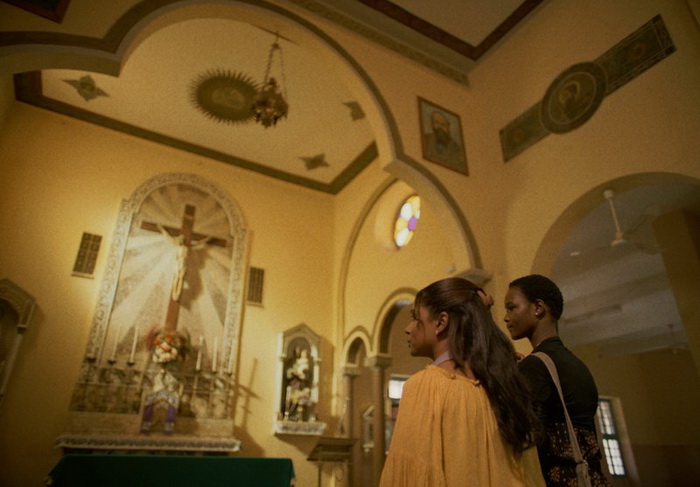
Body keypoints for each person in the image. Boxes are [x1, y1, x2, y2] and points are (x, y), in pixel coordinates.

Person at [380, 277, 544, 487]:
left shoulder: (425, 387)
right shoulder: (504, 386)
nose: (408, 328)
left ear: (441, 322)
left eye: (415, 317)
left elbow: (411, 477)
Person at [504, 274, 611, 486]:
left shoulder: (535, 366)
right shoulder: (577, 365)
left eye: (511, 307)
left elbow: (520, 434)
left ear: (538, 308)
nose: (506, 317)